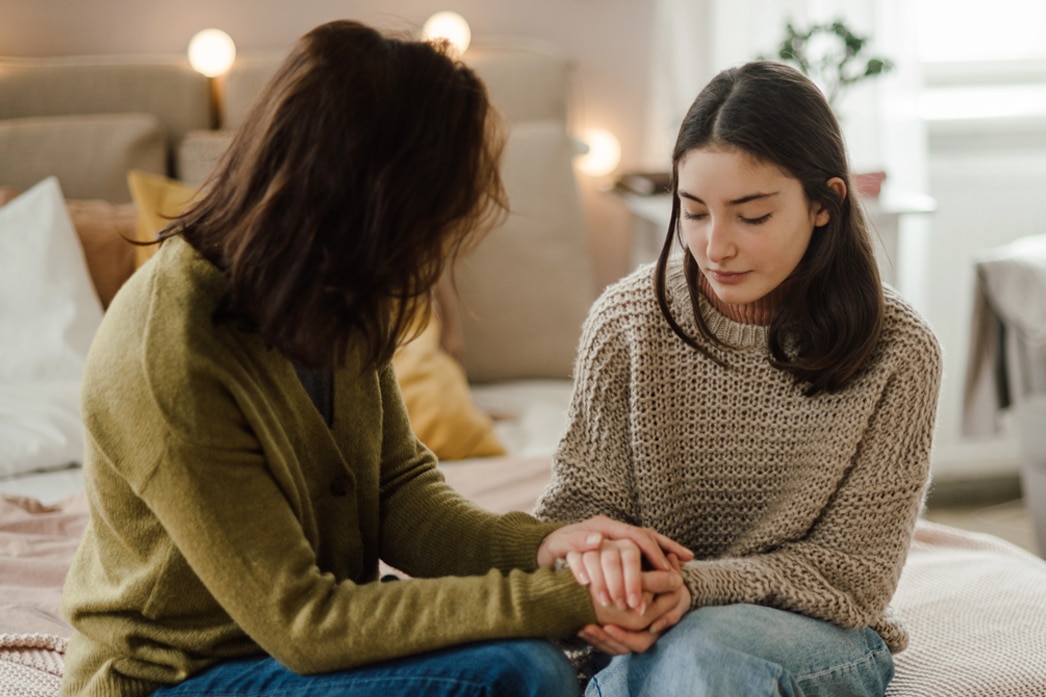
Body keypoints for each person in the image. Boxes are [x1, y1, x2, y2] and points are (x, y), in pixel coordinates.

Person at [59, 20, 694, 697]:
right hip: (176, 673)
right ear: (367, 203)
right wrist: (559, 600)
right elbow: (305, 622)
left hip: (296, 646)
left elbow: (398, 494)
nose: (434, 251)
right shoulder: (170, 352)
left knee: (531, 656)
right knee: (520, 671)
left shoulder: (336, 293)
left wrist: (545, 548)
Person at [534, 60, 942, 697]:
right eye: (694, 212)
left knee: (700, 652)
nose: (715, 246)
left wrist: (694, 587)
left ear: (824, 204)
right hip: (652, 623)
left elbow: (853, 576)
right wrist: (606, 566)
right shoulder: (626, 323)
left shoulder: (900, 350)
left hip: (816, 631)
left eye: (751, 217)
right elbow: (577, 515)